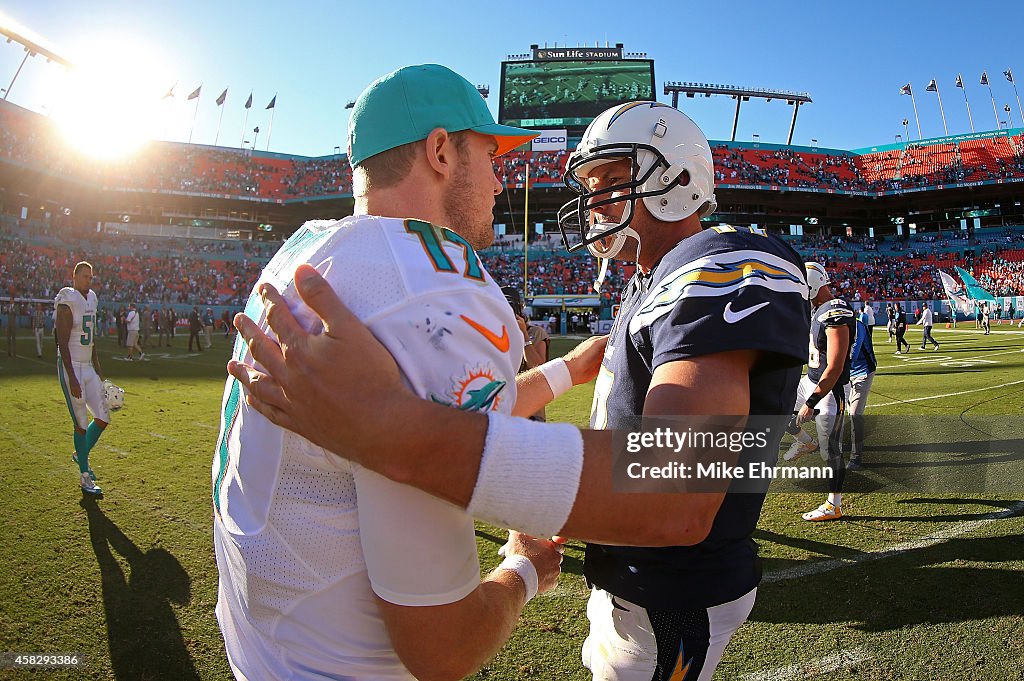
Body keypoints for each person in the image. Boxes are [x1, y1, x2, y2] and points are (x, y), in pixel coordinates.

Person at [228, 101, 811, 681]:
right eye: (590, 184)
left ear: (680, 180)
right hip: (631, 564)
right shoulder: (648, 280)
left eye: (612, 180)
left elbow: (676, 490)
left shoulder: (720, 259)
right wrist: (566, 377)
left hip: (675, 583)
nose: (594, 201)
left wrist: (393, 431)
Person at [212, 64, 581, 681]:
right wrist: (522, 569)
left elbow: (428, 418)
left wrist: (569, 370)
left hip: (268, 649)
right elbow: (444, 645)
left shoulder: (308, 249)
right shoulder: (432, 286)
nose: (499, 181)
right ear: (441, 150)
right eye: (490, 155)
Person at [782, 262, 854, 521]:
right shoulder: (817, 310)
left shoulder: (836, 311)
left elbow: (834, 366)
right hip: (809, 380)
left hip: (829, 388)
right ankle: (805, 442)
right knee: (780, 412)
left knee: (831, 449)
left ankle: (834, 505)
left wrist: (812, 401)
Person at [55, 262, 109, 496]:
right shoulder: (67, 299)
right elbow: (62, 341)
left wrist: (98, 370)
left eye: (91, 276)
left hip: (87, 366)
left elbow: (92, 338)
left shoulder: (92, 299)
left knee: (103, 415)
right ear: (74, 277)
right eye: (84, 276)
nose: (88, 280)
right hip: (72, 367)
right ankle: (85, 476)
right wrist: (72, 377)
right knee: (80, 422)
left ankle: (81, 453)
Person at [502, 286, 551, 421]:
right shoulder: (496, 333)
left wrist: (523, 334)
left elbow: (538, 367)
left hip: (531, 409)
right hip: (504, 407)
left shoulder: (535, 333)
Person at [845, 310, 877, 470]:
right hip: (845, 373)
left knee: (855, 413)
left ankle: (856, 456)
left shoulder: (857, 326)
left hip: (862, 373)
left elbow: (854, 353)